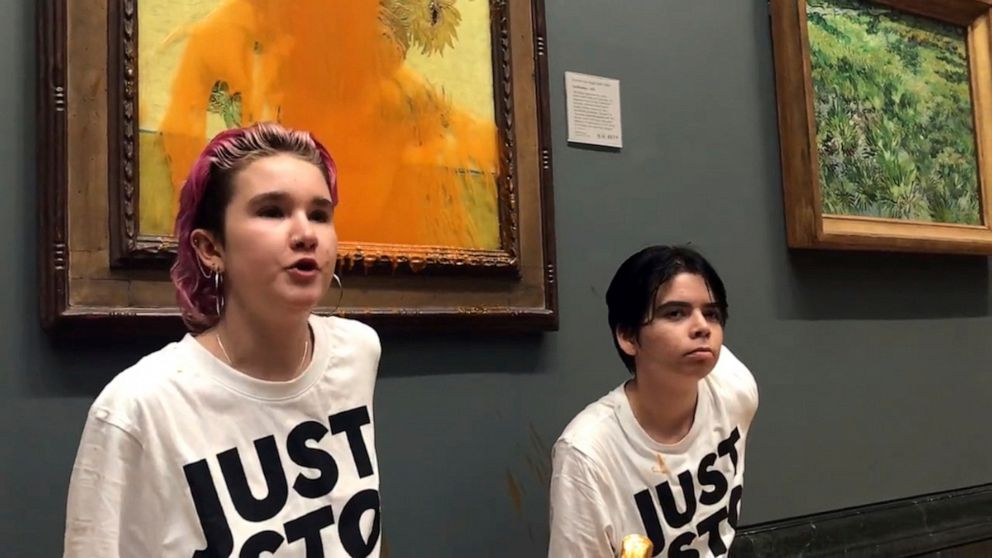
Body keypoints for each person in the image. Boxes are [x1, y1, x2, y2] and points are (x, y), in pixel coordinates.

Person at [63, 122, 383, 557]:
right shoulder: (139, 409)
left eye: (319, 215)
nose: (306, 233)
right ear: (211, 249)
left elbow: (359, 522)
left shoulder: (357, 352)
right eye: (272, 211)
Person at [549, 245, 758, 557]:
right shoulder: (587, 453)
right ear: (628, 336)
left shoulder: (735, 388)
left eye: (711, 314)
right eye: (675, 313)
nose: (702, 327)